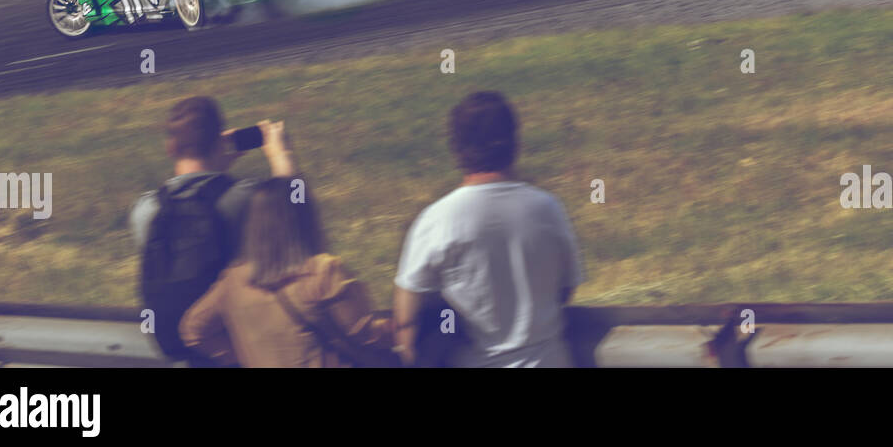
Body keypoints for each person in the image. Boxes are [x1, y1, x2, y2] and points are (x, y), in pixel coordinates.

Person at [393, 91, 585, 367]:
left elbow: (406, 322)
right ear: (514, 143)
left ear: (456, 149)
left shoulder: (436, 220)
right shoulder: (548, 208)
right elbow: (564, 291)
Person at [129, 96, 297, 362]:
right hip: (237, 349)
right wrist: (281, 155)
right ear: (220, 142)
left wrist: (217, 160)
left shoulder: (146, 210)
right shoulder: (243, 199)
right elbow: (295, 215)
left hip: (178, 348)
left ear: (170, 147)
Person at [180, 179, 396, 367]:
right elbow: (367, 337)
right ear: (306, 221)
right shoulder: (324, 272)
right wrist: (401, 325)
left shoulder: (233, 281)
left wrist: (243, 356)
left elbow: (193, 330)